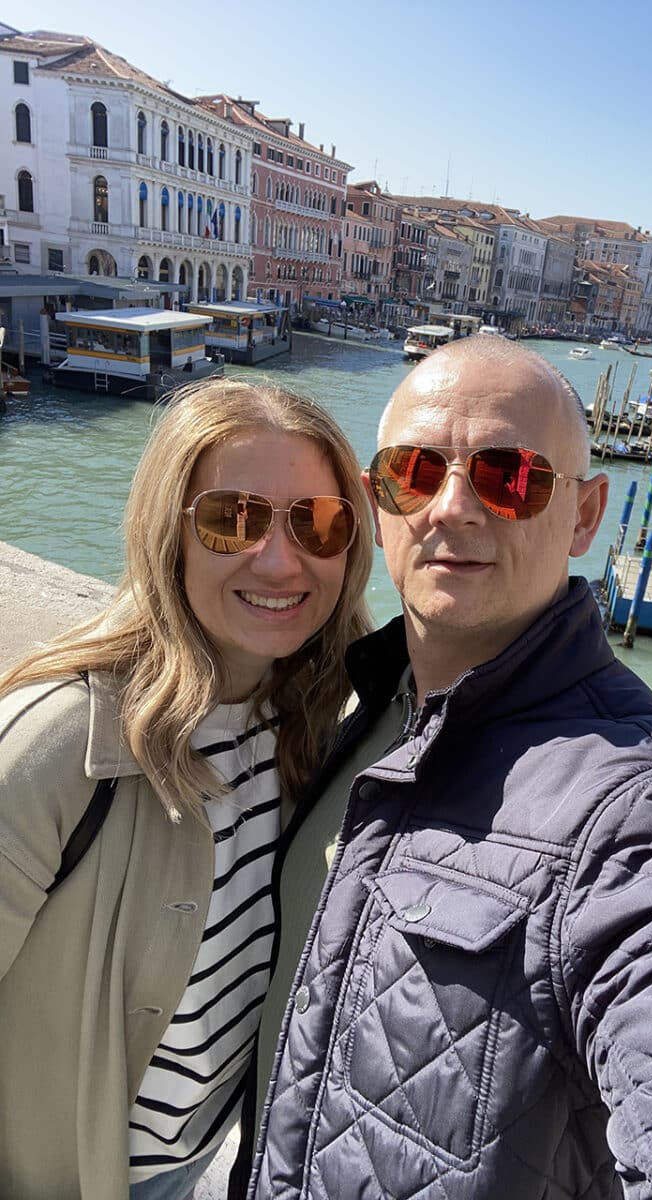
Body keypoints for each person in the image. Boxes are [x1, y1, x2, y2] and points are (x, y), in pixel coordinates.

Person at [242, 338, 652, 1199]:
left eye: (508, 477)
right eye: (414, 471)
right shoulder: (357, 708)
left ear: (584, 516)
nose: (450, 506)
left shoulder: (645, 808)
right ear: (377, 503)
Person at [0, 378, 372, 1200]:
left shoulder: (316, 721)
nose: (280, 560)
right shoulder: (61, 743)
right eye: (231, 519)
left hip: (204, 1159)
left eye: (319, 522)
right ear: (168, 533)